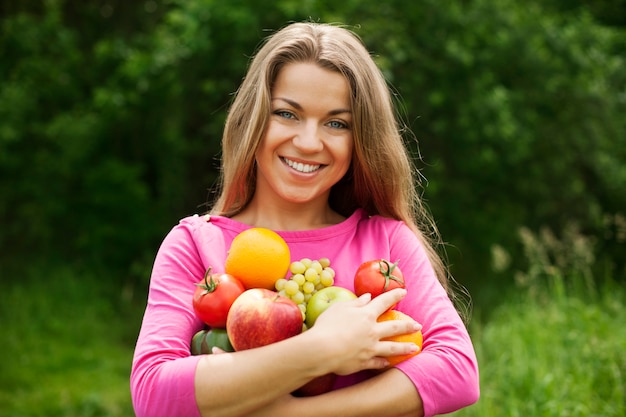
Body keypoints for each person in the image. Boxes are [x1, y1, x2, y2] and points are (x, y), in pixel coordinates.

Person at [131, 21, 479, 417]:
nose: (309, 142)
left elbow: (457, 370)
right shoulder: (194, 244)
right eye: (287, 114)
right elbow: (153, 394)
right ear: (253, 119)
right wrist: (321, 349)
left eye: (336, 123)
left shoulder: (387, 243)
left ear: (359, 139)